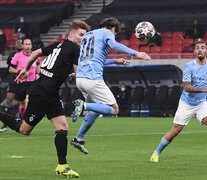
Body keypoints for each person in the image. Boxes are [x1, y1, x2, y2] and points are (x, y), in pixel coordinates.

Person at [0, 20, 89, 177]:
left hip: (50, 93)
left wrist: (26, 70)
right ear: (71, 34)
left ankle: (62, 166)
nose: (83, 38)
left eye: (85, 36)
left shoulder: (57, 45)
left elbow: (35, 53)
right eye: (81, 35)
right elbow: (79, 74)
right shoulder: (75, 49)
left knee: (62, 127)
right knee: (24, 129)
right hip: (42, 93)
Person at [70, 17, 151, 154]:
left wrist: (115, 61)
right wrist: (136, 53)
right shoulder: (107, 33)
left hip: (80, 79)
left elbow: (95, 60)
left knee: (97, 110)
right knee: (114, 109)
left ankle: (79, 138)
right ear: (113, 29)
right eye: (115, 32)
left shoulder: (88, 35)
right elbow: (114, 45)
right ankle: (83, 105)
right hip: (92, 79)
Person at [150, 41, 207, 163]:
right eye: (197, 48)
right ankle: (156, 153)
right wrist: (204, 89)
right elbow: (186, 87)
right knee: (175, 131)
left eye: (203, 48)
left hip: (202, 103)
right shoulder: (189, 66)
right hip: (186, 104)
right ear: (194, 52)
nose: (200, 50)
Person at [9, 38, 41, 120]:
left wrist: (37, 73)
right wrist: (19, 71)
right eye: (26, 44)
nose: (28, 46)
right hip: (21, 82)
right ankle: (22, 119)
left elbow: (38, 64)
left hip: (31, 82)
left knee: (28, 101)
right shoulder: (17, 55)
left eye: (29, 44)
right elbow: (10, 69)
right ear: (22, 46)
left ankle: (26, 121)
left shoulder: (35, 55)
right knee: (22, 104)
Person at [0, 39, 22, 133]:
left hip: (25, 83)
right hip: (13, 82)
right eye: (17, 43)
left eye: (20, 43)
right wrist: (1, 77)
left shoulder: (27, 56)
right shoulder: (12, 55)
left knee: (24, 103)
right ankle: (6, 124)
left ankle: (23, 121)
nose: (18, 44)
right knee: (8, 102)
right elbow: (9, 68)